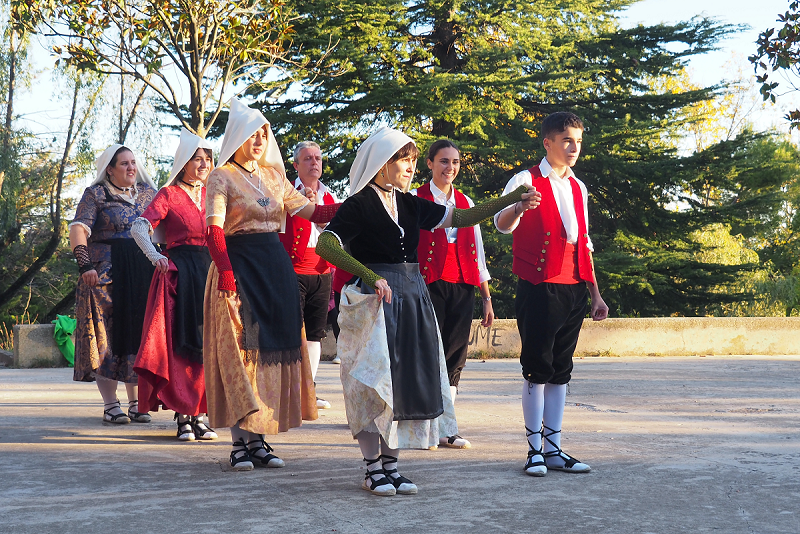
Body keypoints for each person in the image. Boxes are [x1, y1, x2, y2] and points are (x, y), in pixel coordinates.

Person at [316, 126, 539, 496]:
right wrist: (370, 275)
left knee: (403, 384)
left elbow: (464, 218)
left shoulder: (409, 203)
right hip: (375, 302)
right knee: (374, 386)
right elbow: (326, 244)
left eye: (411, 159)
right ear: (381, 163)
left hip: (412, 298)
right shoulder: (358, 204)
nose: (409, 166)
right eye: (403, 159)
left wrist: (511, 198)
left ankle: (391, 466)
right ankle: (372, 469)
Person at [203, 99, 340, 471]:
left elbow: (314, 212)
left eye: (265, 133)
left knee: (266, 355)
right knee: (239, 354)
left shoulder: (274, 177)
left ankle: (259, 439)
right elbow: (213, 229)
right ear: (238, 137)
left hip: (274, 269)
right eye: (253, 133)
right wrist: (226, 270)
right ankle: (238, 444)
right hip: (237, 268)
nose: (261, 139)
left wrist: (357, 203)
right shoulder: (221, 176)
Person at [493, 112, 609, 477]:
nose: (574, 147)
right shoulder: (525, 179)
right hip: (539, 285)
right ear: (548, 143)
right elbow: (500, 224)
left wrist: (595, 292)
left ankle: (555, 448)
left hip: (574, 285)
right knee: (537, 369)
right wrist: (518, 206)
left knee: (561, 370)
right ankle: (534, 451)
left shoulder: (579, 187)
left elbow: (584, 242)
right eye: (566, 140)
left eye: (577, 140)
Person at [131, 128, 218, 441]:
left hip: (210, 271)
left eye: (207, 158)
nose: (203, 164)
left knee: (208, 341)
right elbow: (140, 227)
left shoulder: (214, 194)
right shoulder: (168, 194)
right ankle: (184, 415)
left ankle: (202, 413)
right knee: (180, 345)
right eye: (197, 158)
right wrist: (156, 256)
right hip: (180, 273)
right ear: (184, 163)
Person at [411, 139, 493, 449]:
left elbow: (479, 253)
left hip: (464, 284)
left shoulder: (467, 202)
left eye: (455, 162)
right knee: (427, 353)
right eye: (444, 161)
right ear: (429, 164)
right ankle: (425, 425)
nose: (451, 167)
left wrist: (486, 297)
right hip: (428, 283)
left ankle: (447, 426)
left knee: (455, 355)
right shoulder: (414, 198)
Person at [69, 145, 157, 424]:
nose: (131, 168)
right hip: (106, 275)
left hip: (143, 272)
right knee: (107, 336)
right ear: (110, 169)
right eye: (124, 164)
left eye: (133, 162)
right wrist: (85, 266)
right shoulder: (95, 194)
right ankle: (110, 405)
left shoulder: (147, 193)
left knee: (138, 334)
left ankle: (136, 402)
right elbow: (78, 229)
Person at [279, 141, 339, 409]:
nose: (315, 162)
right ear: (295, 165)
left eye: (318, 158)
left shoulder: (330, 196)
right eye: (307, 159)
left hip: (322, 270)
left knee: (315, 334)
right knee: (292, 332)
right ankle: (289, 390)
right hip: (291, 270)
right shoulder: (285, 192)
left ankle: (308, 390)